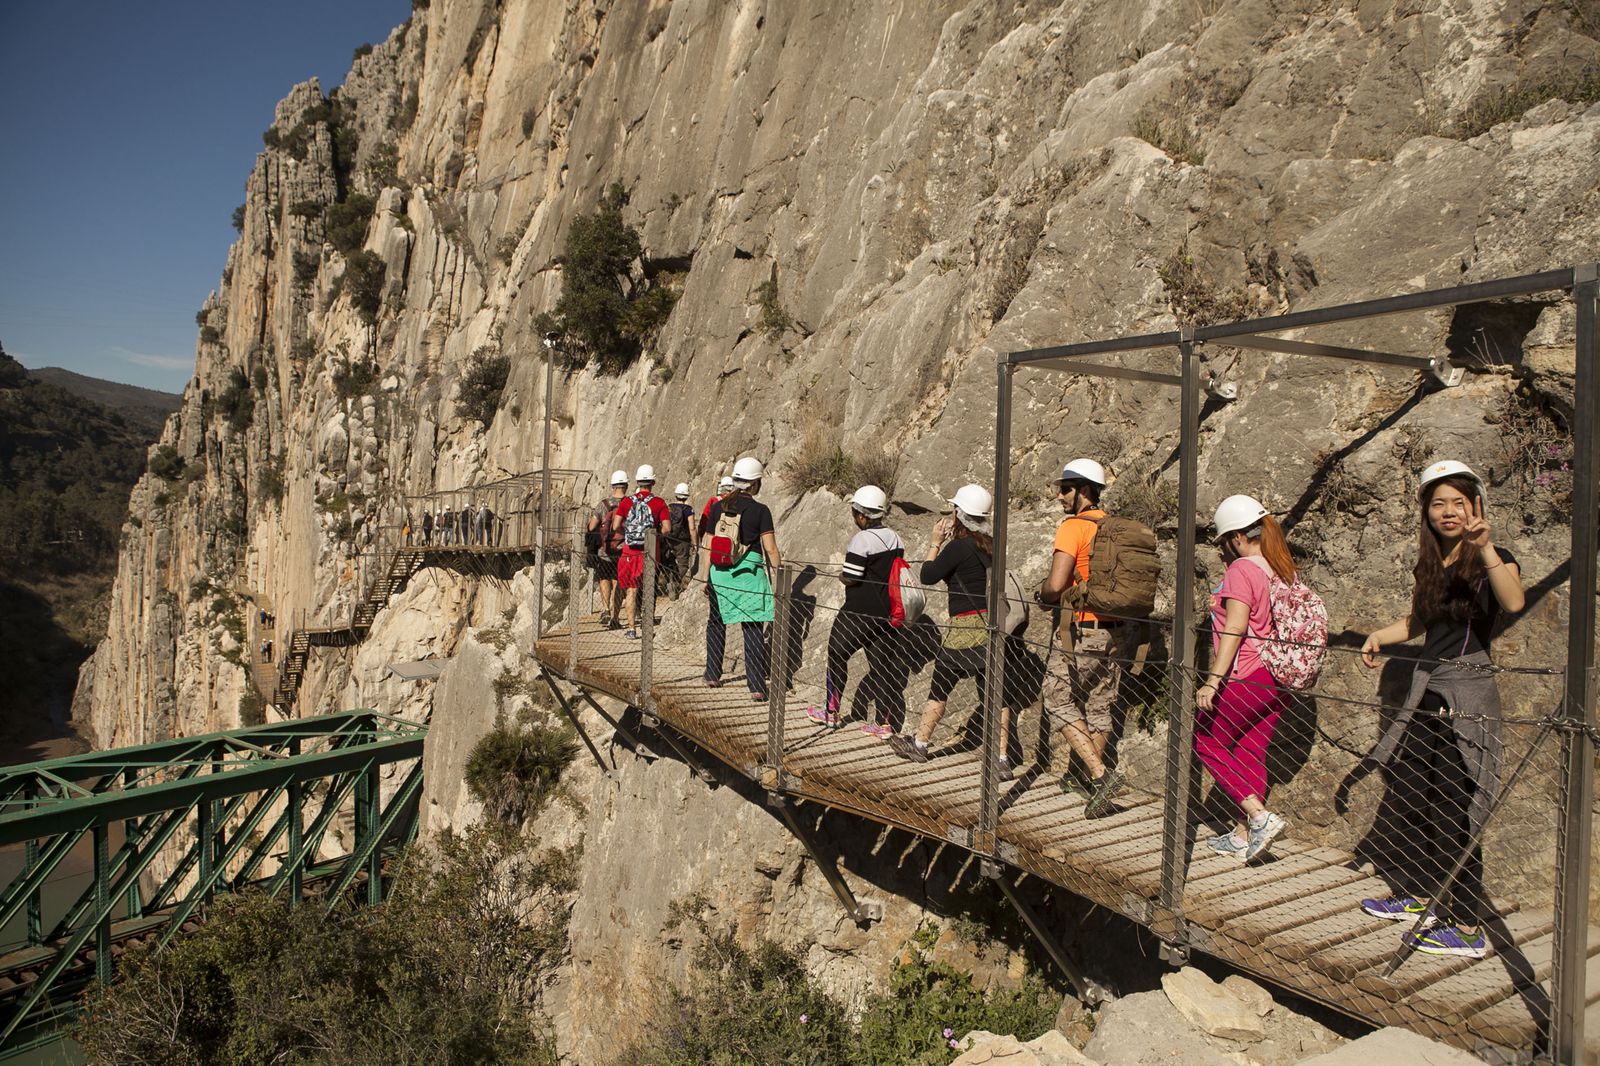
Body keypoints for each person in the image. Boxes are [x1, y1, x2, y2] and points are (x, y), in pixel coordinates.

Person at [1356, 461, 1523, 960]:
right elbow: (1419, 621)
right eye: (1438, 503)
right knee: (1415, 794)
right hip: (1428, 690)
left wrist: (1485, 546)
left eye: (1458, 502)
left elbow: (1513, 602)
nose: (1448, 512)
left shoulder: (1492, 557)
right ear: (1426, 512)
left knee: (1454, 802)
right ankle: (1425, 893)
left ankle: (1468, 924)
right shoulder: (1430, 563)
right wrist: (1379, 636)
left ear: (1476, 507)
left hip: (1466, 692)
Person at [889, 485, 1016, 778]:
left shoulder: (958, 547)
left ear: (959, 514)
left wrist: (935, 542)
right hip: (991, 626)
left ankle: (920, 744)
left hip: (964, 628)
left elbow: (928, 575)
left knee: (940, 686)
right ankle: (1001, 759)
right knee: (996, 694)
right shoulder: (991, 545)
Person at [1039, 458, 1139, 817]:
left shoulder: (1074, 527)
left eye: (1065, 489)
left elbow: (1056, 583)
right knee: (1099, 704)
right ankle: (1085, 781)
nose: (1059, 496)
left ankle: (1099, 773)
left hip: (1083, 629)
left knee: (1055, 697)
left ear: (1083, 491)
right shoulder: (1114, 528)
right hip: (1118, 632)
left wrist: (1045, 596)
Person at [1196, 495, 1293, 863]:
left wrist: (1212, 680)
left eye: (1224, 541)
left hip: (1245, 673)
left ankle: (1259, 817)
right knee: (1251, 749)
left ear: (1236, 537)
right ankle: (1241, 836)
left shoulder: (1242, 571)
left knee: (1205, 740)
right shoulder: (1280, 567)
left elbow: (1235, 628)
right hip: (1276, 677)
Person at [811, 486, 907, 737]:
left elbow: (852, 577)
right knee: (881, 666)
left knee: (837, 653)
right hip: (887, 612)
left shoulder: (861, 540)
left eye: (855, 513)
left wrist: (841, 575)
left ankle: (831, 711)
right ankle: (883, 724)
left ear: (862, 516)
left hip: (858, 611)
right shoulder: (896, 538)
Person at [701, 457, 779, 699]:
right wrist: (779, 575)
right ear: (755, 484)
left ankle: (713, 674)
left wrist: (706, 577)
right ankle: (756, 686)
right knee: (753, 627)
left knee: (716, 622)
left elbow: (708, 543)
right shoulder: (761, 511)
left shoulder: (718, 507)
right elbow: (771, 549)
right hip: (748, 576)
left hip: (719, 574)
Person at [613, 464, 671, 639]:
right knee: (649, 588)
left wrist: (629, 535)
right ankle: (648, 623)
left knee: (631, 589)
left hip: (630, 552)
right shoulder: (659, 503)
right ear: (652, 482)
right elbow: (667, 529)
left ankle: (632, 628)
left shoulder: (627, 501)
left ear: (637, 481)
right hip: (650, 551)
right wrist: (655, 536)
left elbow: (616, 526)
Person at [589, 472, 629, 626]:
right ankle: (616, 617)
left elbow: (592, 526)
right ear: (626, 485)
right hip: (625, 550)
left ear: (613, 486)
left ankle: (606, 609)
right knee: (619, 581)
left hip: (605, 550)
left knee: (604, 578)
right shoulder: (631, 503)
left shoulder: (603, 504)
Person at [663, 483, 697, 598]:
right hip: (683, 541)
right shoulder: (688, 509)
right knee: (683, 564)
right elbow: (692, 528)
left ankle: (670, 581)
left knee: (669, 562)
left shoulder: (669, 507)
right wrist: (695, 543)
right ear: (687, 495)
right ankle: (677, 584)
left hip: (669, 538)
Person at [700, 475, 736, 541]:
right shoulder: (738, 502)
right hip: (732, 537)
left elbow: (705, 518)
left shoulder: (714, 500)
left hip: (714, 535)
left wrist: (702, 534)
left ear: (721, 487)